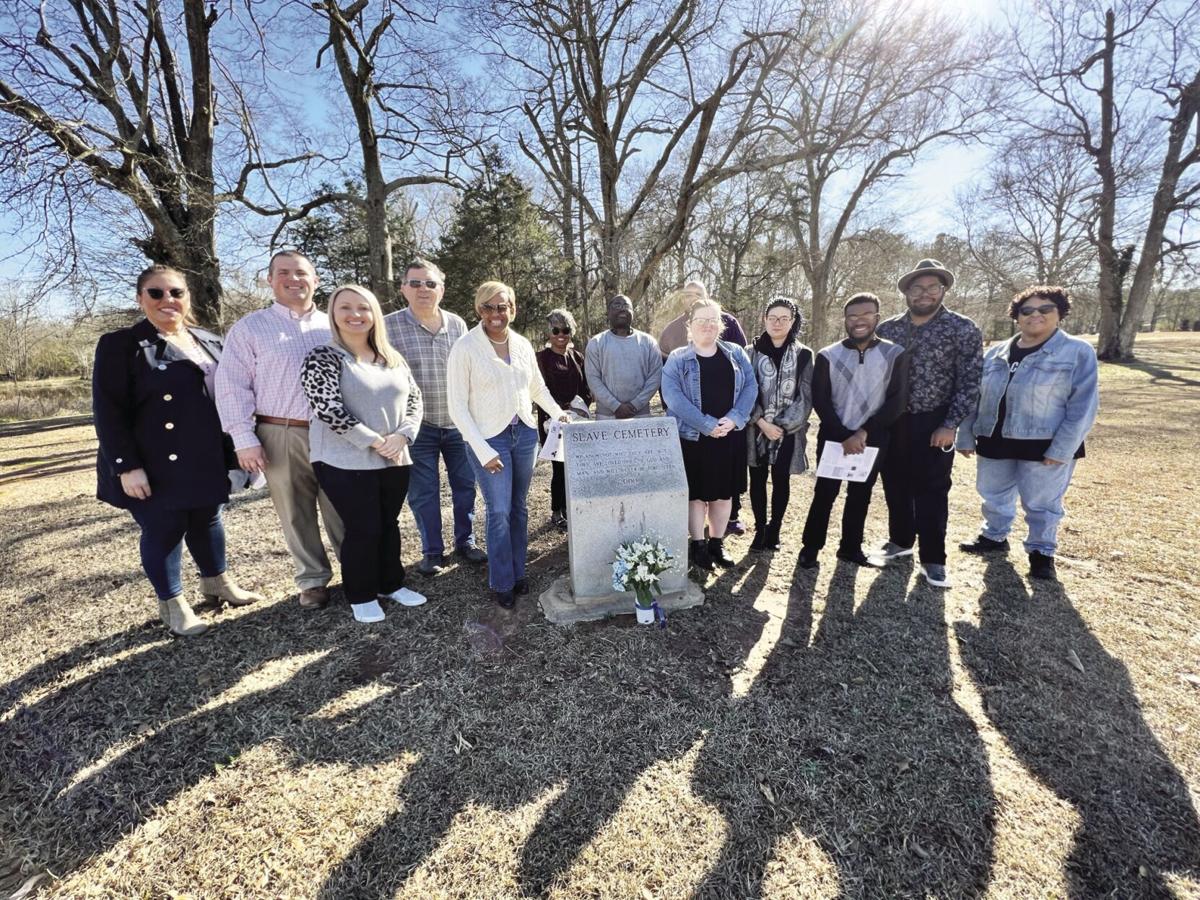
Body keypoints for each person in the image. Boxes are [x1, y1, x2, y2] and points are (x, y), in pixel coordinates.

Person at [94, 264, 263, 637]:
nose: (167, 300)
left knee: (208, 518)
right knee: (165, 526)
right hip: (152, 459)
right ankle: (172, 604)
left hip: (206, 452)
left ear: (188, 297)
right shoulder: (121, 344)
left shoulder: (210, 339)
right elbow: (108, 411)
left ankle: (216, 582)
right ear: (141, 299)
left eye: (176, 293)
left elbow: (232, 393)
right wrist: (126, 466)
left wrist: (237, 450)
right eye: (156, 293)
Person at [215, 250, 345, 610]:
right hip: (281, 430)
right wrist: (243, 438)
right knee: (294, 509)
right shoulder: (250, 328)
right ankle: (313, 579)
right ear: (270, 280)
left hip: (336, 430)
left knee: (344, 505)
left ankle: (358, 569)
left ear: (316, 280)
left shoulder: (336, 324)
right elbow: (231, 386)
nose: (294, 279)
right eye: (283, 273)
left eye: (302, 273)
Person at [300, 285, 427, 623]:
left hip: (395, 456)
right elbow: (327, 408)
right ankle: (361, 593)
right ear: (333, 314)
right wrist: (374, 440)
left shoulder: (391, 357)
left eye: (363, 308)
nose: (355, 315)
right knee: (363, 526)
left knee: (388, 523)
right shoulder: (323, 357)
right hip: (345, 460)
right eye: (346, 308)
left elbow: (414, 399)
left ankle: (390, 583)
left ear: (375, 315)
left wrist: (403, 436)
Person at [956, 286, 1099, 581]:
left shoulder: (1076, 352)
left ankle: (1041, 552)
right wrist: (966, 435)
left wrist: (1062, 448)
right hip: (994, 437)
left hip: (1043, 441)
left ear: (1059, 313)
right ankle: (994, 537)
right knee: (992, 494)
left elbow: (1083, 406)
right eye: (1027, 310)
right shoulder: (995, 353)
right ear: (1016, 317)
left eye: (1045, 309)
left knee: (1041, 502)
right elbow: (975, 397)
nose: (1035, 315)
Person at [447, 281, 569, 609]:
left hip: (524, 435)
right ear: (478, 310)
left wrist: (559, 414)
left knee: (519, 507)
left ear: (512, 309)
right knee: (498, 510)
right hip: (488, 439)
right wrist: (483, 450)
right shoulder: (465, 347)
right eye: (488, 307)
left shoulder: (522, 344)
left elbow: (537, 388)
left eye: (502, 307)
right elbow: (457, 407)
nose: (496, 314)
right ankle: (501, 580)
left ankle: (518, 571)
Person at [875, 258, 982, 588]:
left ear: (943, 290)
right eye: (917, 288)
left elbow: (970, 381)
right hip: (893, 421)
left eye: (931, 287)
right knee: (895, 483)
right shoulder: (888, 329)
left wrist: (950, 423)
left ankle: (934, 558)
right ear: (907, 292)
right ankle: (901, 541)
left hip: (936, 421)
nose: (924, 294)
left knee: (932, 490)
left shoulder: (962, 329)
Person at [384, 259, 486, 576]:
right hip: (416, 428)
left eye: (430, 283)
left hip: (458, 423)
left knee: (465, 487)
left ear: (441, 289)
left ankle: (465, 543)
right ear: (403, 289)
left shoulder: (457, 325)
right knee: (423, 492)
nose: (423, 289)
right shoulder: (388, 327)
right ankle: (432, 552)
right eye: (415, 283)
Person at [798, 293, 909, 569]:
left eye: (866, 314)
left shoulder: (895, 354)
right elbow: (821, 400)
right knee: (825, 493)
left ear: (877, 318)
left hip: (873, 437)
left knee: (861, 494)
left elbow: (898, 399)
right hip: (835, 437)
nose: (859, 321)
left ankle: (850, 548)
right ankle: (810, 549)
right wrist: (844, 435)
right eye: (852, 316)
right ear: (845, 320)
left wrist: (864, 432)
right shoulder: (828, 355)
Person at [661, 298, 757, 574]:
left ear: (721, 324)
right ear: (690, 325)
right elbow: (673, 398)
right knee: (696, 496)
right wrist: (706, 424)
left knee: (723, 495)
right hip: (694, 438)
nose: (708, 325)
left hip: (729, 436)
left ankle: (717, 543)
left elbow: (750, 386)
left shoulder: (736, 353)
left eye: (713, 319)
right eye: (701, 320)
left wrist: (735, 419)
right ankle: (699, 546)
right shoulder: (678, 358)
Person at [745, 298, 814, 552]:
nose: (777, 323)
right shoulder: (749, 352)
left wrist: (782, 427)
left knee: (781, 480)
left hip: (788, 432)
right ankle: (760, 528)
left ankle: (775, 529)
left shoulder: (804, 354)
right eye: (773, 317)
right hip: (756, 430)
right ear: (764, 319)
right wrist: (761, 422)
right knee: (758, 480)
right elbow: (743, 391)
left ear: (792, 321)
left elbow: (806, 397)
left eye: (784, 318)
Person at [535, 308, 592, 529]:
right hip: (553, 423)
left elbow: (586, 389)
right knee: (559, 469)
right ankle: (557, 511)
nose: (561, 335)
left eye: (566, 330)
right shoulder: (540, 359)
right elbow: (539, 391)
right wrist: (559, 411)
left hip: (578, 420)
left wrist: (579, 407)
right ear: (549, 332)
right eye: (556, 330)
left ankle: (572, 507)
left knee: (576, 466)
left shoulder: (577, 357)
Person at [585, 294, 663, 420]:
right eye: (617, 305)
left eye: (626, 306)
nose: (622, 309)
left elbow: (655, 377)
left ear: (633, 312)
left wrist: (635, 405)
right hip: (606, 417)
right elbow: (593, 379)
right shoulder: (596, 343)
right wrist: (615, 406)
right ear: (608, 313)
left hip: (641, 415)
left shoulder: (648, 342)